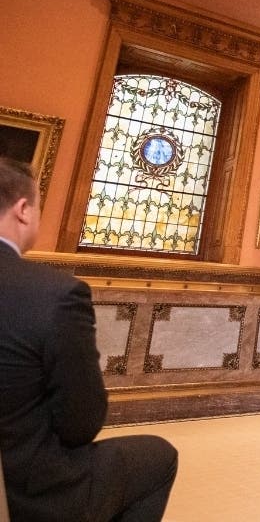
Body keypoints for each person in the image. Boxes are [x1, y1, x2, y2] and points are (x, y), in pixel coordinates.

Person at [0, 157, 179, 520]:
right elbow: (81, 422)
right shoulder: (53, 293)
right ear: (23, 210)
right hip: (21, 486)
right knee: (158, 457)